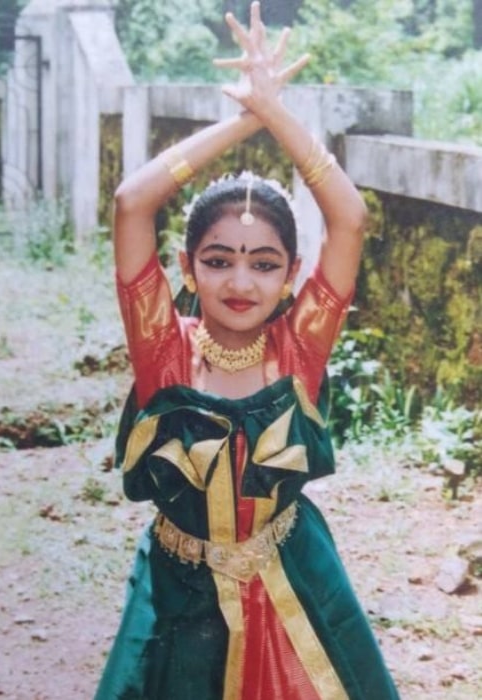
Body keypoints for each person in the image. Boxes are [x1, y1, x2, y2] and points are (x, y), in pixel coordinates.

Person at [95, 3, 400, 699]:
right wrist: (243, 123)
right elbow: (130, 203)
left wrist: (280, 117)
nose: (240, 282)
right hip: (180, 593)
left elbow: (349, 218)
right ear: (187, 263)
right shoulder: (162, 351)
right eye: (219, 260)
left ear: (292, 273)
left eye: (264, 264)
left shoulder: (300, 348)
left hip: (295, 574)